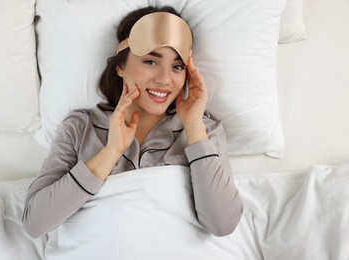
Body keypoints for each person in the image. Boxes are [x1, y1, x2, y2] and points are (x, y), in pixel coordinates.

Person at [23, 5, 243, 239]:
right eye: (150, 61)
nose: (165, 79)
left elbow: (222, 224)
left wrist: (193, 126)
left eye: (177, 66)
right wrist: (111, 151)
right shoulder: (79, 127)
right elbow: (35, 223)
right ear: (120, 66)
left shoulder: (205, 130)